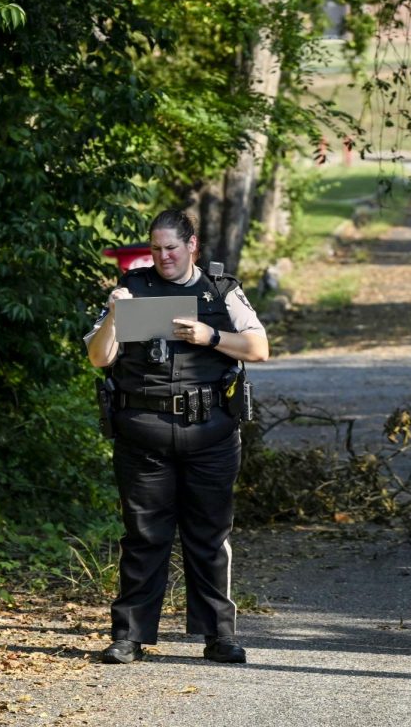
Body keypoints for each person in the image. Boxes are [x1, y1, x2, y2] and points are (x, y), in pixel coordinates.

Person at [85, 210, 269, 665]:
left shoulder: (221, 291)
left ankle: (219, 637)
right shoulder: (133, 290)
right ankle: (129, 636)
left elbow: (259, 348)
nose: (164, 257)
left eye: (172, 247)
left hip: (210, 433)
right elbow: (98, 357)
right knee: (144, 536)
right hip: (143, 434)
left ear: (192, 246)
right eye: (156, 249)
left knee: (208, 535)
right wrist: (114, 314)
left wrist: (210, 335)